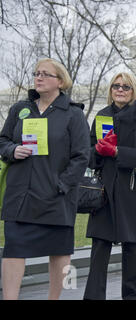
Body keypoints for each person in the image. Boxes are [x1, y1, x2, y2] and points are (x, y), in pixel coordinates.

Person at [0, 58, 90, 300]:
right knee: (13, 249)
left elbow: (82, 156)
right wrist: (12, 150)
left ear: (60, 81)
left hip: (56, 197)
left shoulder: (73, 114)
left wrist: (61, 186)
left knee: (60, 251)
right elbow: (3, 140)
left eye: (45, 74)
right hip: (21, 195)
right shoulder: (20, 109)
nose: (38, 78)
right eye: (36, 73)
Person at [83, 72, 136, 300]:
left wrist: (117, 152)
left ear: (133, 90)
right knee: (99, 248)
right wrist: (97, 150)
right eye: (116, 86)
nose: (120, 90)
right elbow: (88, 154)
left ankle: (133, 297)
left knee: (132, 248)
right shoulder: (102, 116)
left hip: (132, 191)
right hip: (103, 192)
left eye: (125, 87)